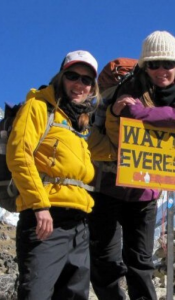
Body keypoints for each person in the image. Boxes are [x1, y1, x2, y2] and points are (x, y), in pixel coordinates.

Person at [88, 31, 175, 300]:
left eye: (168, 64)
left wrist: (173, 115)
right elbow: (132, 114)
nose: (162, 70)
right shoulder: (129, 91)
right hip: (108, 187)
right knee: (105, 260)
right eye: (154, 64)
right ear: (144, 66)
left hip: (144, 193)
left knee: (139, 260)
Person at [6, 50, 117, 300]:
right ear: (60, 77)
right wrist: (39, 205)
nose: (79, 84)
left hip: (80, 224)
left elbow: (112, 151)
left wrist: (117, 114)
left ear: (92, 88)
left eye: (87, 80)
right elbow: (19, 155)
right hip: (45, 220)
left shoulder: (82, 125)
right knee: (36, 294)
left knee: (74, 295)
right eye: (72, 76)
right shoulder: (39, 107)